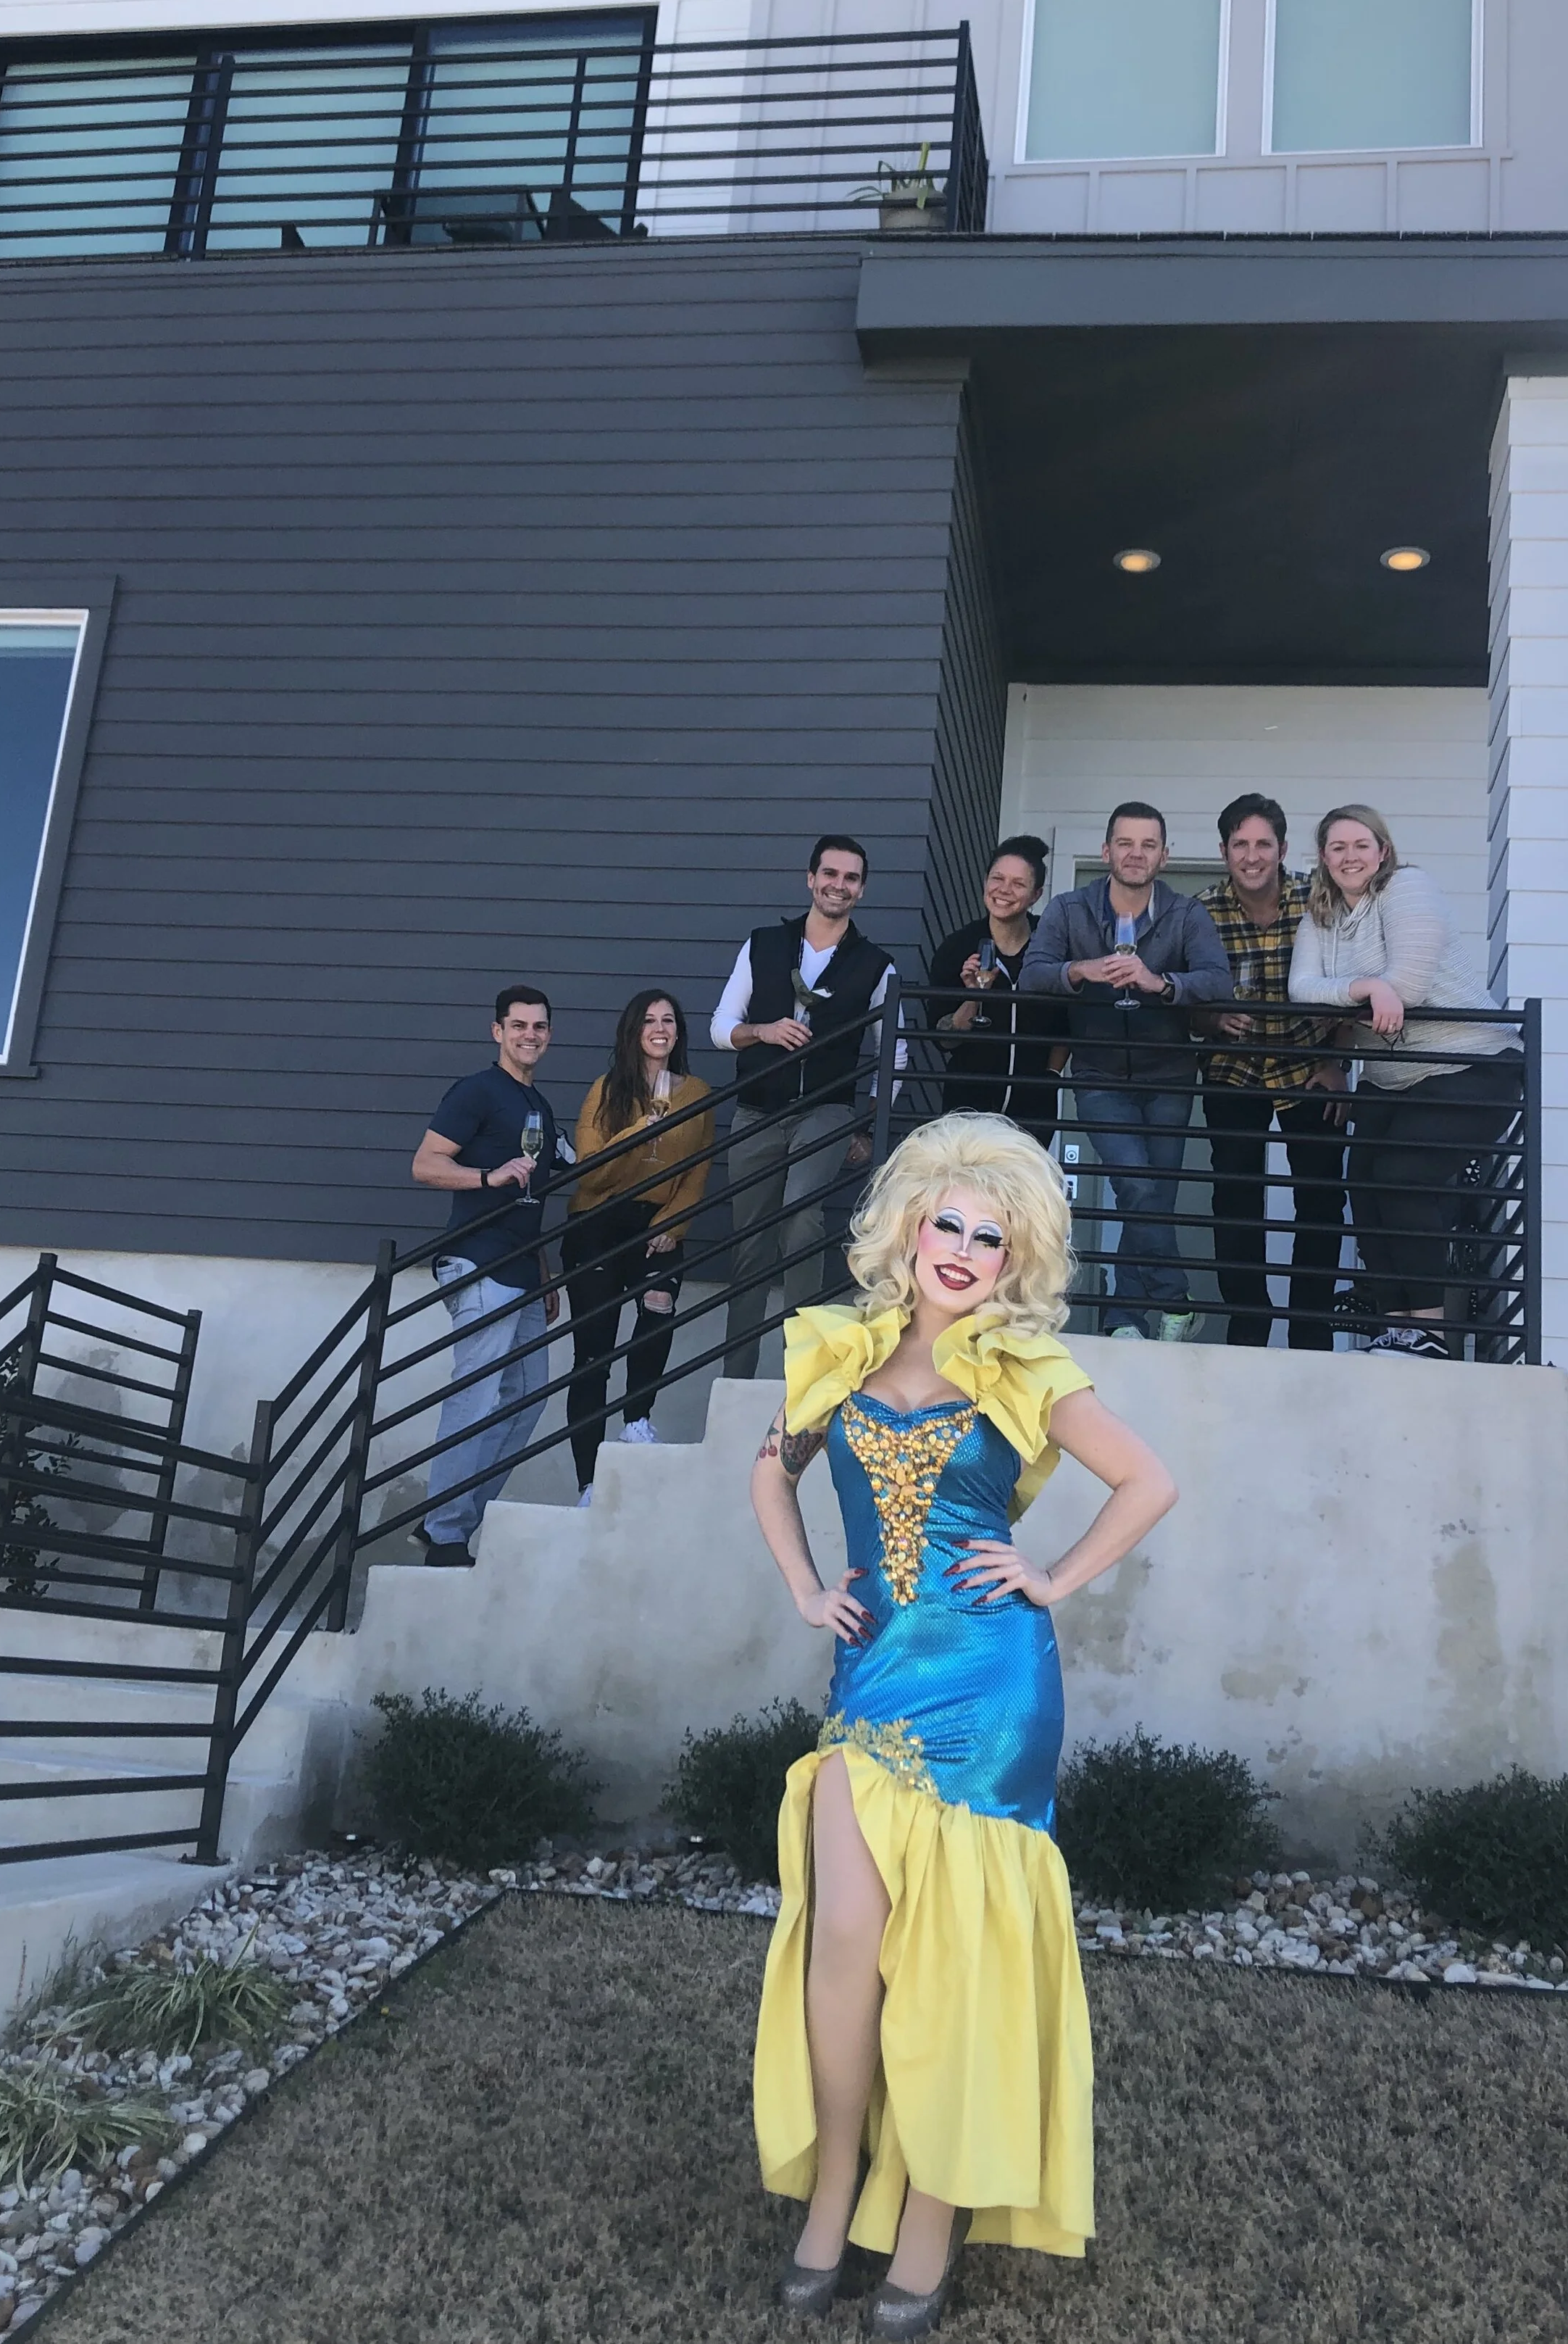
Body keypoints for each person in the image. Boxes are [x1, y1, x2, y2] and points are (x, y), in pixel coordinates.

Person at [748, 1114, 1175, 2327]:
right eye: (950, 1221)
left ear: (1012, 1262)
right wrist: (802, 1584)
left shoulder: (1028, 1372)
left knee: (955, 1964)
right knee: (844, 1939)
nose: (965, 1247)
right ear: (911, 1224)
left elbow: (1150, 1480)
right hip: (873, 1675)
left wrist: (1051, 1575)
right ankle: (839, 2180)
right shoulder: (838, 1355)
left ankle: (930, 2211)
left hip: (990, 1686)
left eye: (991, 1237)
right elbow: (770, 1469)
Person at [1289, 805, 1522, 1360]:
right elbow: (1303, 986)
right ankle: (1400, 1329)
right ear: (1323, 857)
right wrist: (1369, 985)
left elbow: (1410, 986)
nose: (1350, 856)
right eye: (1338, 847)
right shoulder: (1320, 915)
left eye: (1361, 845)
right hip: (1390, 1077)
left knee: (1403, 1176)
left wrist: (1367, 991)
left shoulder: (1408, 888)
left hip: (1470, 1064)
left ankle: (1432, 1332)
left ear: (1383, 850)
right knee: (1364, 1187)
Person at [1019, 803, 1233, 1341]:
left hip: (1169, 1074)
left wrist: (1160, 983)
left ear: (1165, 855)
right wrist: (1081, 970)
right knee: (1136, 1184)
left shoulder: (1186, 915)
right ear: (1106, 850)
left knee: (1148, 1193)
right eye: (1126, 843)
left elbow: (1216, 980)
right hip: (1098, 1072)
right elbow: (1033, 975)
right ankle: (1175, 1299)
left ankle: (1125, 1316)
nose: (1136, 854)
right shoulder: (1069, 910)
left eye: (1148, 844)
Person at [712, 836, 896, 1380]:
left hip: (827, 1109)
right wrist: (762, 1031)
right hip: (757, 1110)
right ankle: (736, 1377)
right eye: (831, 873)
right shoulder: (764, 943)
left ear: (861, 889)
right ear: (810, 878)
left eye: (851, 877)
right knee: (748, 1248)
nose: (839, 884)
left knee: (802, 1215)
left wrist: (867, 1122)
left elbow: (896, 1054)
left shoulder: (875, 964)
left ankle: (805, 1372)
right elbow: (720, 1027)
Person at [409, 986, 563, 1566]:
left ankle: (454, 1526)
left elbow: (535, 1200)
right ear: (497, 1030)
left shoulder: (541, 1106)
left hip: (523, 1271)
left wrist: (545, 1272)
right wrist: (487, 1177)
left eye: (540, 1026)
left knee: (527, 1397)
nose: (530, 1034)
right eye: (519, 1025)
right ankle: (445, 1530)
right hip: (477, 1261)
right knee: (475, 1395)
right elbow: (425, 1164)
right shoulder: (476, 1090)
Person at [1198, 793, 1349, 1350]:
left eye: (1264, 843)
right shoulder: (1202, 910)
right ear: (1224, 851)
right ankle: (1248, 1320)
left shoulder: (1318, 897)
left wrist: (1338, 1059)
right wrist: (1211, 1017)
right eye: (1241, 843)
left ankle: (1311, 1326)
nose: (1253, 855)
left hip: (1310, 1065)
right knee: (1235, 1195)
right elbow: (1185, 1001)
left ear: (1283, 848)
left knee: (1321, 1197)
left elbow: (1351, 976)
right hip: (1233, 1068)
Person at [561, 989, 714, 1505]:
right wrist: (637, 1131)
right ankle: (587, 1480)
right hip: (598, 1222)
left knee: (658, 1308)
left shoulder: (696, 1093)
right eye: (649, 1019)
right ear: (633, 1030)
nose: (660, 1027)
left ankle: (637, 1418)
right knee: (594, 1352)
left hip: (658, 1224)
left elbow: (697, 1174)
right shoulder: (607, 1089)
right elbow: (590, 1169)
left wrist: (675, 1222)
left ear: (679, 1032)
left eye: (669, 1019)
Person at [927, 835, 1068, 1142]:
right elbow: (944, 1040)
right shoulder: (957, 948)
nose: (1004, 890)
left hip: (1034, 1107)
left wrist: (1052, 1077)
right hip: (967, 1105)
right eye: (997, 878)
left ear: (1036, 894)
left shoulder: (1051, 943)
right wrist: (975, 996)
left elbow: (1069, 1020)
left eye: (1018, 884)